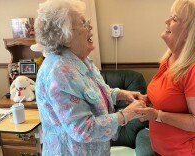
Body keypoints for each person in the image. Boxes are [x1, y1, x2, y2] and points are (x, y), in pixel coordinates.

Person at [34, 0, 146, 155]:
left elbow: (91, 92)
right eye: (83, 24)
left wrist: (121, 94)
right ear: (65, 36)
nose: (90, 27)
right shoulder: (58, 73)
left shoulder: (80, 60)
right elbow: (82, 129)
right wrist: (126, 115)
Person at [135, 0, 195, 155]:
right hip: (161, 149)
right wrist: (146, 99)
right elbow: (171, 97)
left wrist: (157, 115)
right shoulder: (169, 58)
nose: (166, 21)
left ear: (191, 33)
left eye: (174, 19)